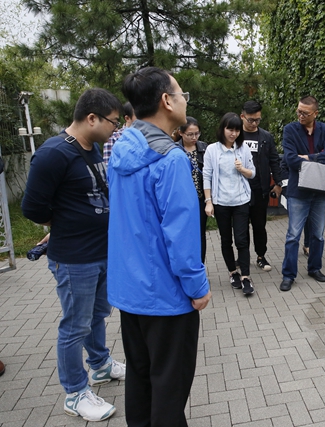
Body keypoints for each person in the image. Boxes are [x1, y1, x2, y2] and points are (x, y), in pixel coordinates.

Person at [107, 67, 211, 427]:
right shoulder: (171, 158)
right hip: (166, 297)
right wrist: (197, 287)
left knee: (140, 376)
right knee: (169, 387)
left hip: (130, 292)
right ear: (167, 101)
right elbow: (181, 236)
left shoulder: (121, 149)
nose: (185, 101)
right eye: (181, 94)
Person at [21, 88, 125, 421]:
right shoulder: (53, 153)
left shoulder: (90, 149)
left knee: (96, 316)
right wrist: (61, 223)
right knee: (75, 326)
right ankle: (75, 393)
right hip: (74, 258)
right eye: (113, 122)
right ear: (92, 118)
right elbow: (32, 207)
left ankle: (100, 364)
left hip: (100, 252)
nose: (115, 129)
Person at [280, 95, 325, 292]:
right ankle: (288, 275)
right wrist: (317, 158)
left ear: (315, 113)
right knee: (293, 235)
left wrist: (307, 157)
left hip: (320, 190)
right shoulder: (290, 130)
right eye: (299, 111)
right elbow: (290, 159)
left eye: (305, 113)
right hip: (298, 191)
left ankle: (314, 268)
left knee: (318, 235)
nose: (300, 115)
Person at [203, 113, 256, 295]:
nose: (233, 134)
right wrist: (209, 202)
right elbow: (207, 176)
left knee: (242, 239)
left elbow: (252, 173)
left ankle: (246, 277)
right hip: (221, 202)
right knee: (226, 239)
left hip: (241, 200)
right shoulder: (212, 150)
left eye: (236, 130)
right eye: (230, 129)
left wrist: (243, 169)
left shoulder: (243, 148)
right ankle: (233, 272)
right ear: (223, 129)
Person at [241, 100, 283, 271]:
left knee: (259, 226)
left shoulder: (266, 137)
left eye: (257, 120)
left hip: (260, 189)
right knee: (241, 227)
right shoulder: (235, 136)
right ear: (242, 116)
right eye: (250, 120)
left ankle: (261, 256)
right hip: (239, 190)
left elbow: (274, 160)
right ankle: (242, 258)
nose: (254, 123)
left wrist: (278, 183)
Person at [177, 116, 208, 262]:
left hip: (200, 198)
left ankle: (200, 264)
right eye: (190, 134)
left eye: (197, 134)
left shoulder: (204, 148)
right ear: (181, 133)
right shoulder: (174, 150)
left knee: (200, 233)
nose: (194, 137)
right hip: (181, 200)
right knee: (183, 233)